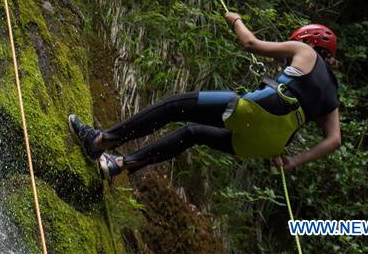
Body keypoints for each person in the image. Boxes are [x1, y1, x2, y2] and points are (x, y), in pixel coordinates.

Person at [69, 17, 341, 180]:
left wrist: (235, 21)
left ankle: (100, 141)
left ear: (309, 42)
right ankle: (119, 164)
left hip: (257, 110)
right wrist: (293, 161)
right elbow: (333, 140)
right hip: (268, 145)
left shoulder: (305, 51)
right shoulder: (332, 92)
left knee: (175, 106)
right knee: (193, 133)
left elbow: (251, 44)